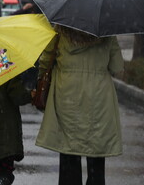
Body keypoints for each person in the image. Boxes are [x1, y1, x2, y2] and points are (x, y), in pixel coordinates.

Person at [35, 25, 124, 185]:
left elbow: (45, 60)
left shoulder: (61, 29)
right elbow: (117, 66)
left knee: (69, 149)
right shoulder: (107, 31)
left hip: (67, 94)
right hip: (98, 98)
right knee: (96, 149)